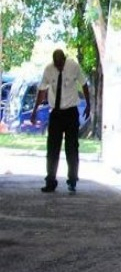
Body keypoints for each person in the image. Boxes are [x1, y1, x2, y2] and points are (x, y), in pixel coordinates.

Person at [31, 49, 91, 193]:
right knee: (52, 148)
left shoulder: (73, 67)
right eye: (57, 64)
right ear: (54, 62)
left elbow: (84, 84)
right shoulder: (48, 70)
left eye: (61, 64)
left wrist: (88, 104)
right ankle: (50, 181)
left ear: (64, 59)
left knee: (71, 148)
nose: (59, 67)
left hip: (71, 112)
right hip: (56, 114)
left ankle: (72, 180)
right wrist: (34, 111)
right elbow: (42, 90)